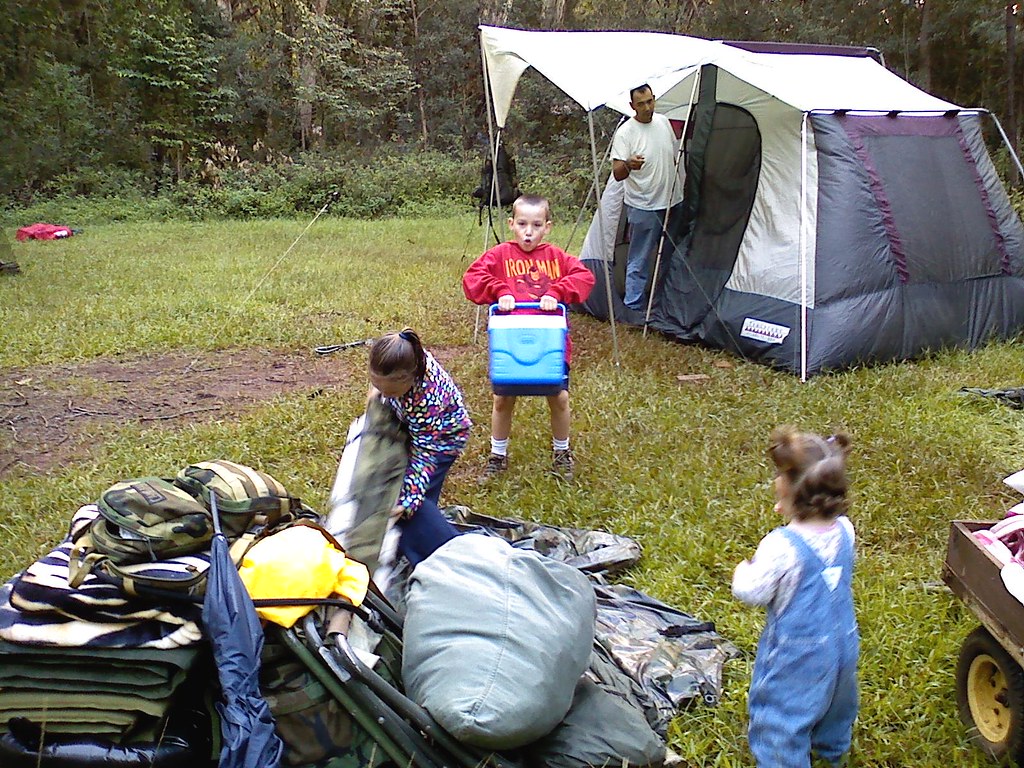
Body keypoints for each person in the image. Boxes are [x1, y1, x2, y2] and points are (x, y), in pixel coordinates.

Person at [732, 427, 858, 768]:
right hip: (843, 645)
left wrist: (743, 569)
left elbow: (751, 591)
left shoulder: (781, 546)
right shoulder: (845, 530)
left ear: (791, 492)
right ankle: (832, 752)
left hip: (797, 655)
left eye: (779, 476)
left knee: (781, 715)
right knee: (838, 704)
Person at [462, 194, 595, 480]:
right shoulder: (499, 255)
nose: (529, 231)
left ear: (548, 226)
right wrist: (500, 290)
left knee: (558, 396)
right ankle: (498, 455)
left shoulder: (557, 258)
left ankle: (562, 452)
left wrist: (556, 292)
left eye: (536, 224)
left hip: (551, 344)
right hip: (510, 342)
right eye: (522, 223)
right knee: (503, 398)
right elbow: (472, 279)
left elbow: (584, 277)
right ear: (511, 224)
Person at [367, 329, 472, 567]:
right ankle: (418, 531)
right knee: (409, 495)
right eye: (377, 385)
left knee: (416, 502)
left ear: (410, 378)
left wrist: (408, 501)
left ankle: (439, 558)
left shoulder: (426, 399)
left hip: (442, 441)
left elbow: (425, 455)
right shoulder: (403, 357)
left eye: (390, 392)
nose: (383, 394)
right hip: (414, 431)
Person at [610, 83, 684, 312]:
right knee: (640, 256)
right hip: (644, 205)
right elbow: (617, 173)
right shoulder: (626, 133)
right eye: (641, 104)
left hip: (673, 201)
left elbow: (672, 155)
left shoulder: (663, 122)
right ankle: (633, 305)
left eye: (650, 101)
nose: (647, 107)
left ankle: (661, 299)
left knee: (669, 254)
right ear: (632, 106)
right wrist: (629, 164)